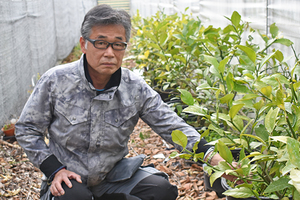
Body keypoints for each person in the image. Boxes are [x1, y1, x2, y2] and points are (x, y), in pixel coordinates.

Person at [15, 4, 225, 200]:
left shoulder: (134, 87)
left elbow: (171, 125)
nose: (109, 53)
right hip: (69, 178)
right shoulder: (56, 81)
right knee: (74, 195)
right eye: (101, 43)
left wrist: (213, 156)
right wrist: (55, 170)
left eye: (118, 44)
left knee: (161, 191)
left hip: (113, 178)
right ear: (83, 44)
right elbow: (27, 129)